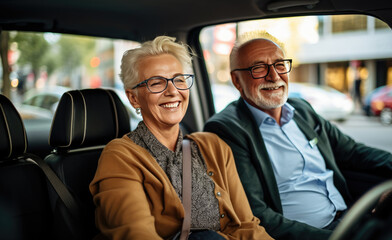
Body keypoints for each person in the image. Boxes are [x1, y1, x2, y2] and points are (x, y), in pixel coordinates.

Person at [203, 32, 392, 240]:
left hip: (351, 218)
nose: (274, 76)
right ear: (237, 80)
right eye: (259, 68)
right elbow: (257, 214)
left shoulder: (302, 110)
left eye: (280, 64)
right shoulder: (227, 129)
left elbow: (353, 151)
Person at [89, 36, 272, 240]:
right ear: (134, 98)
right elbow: (135, 234)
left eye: (179, 80)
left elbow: (247, 225)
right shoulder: (120, 156)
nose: (173, 91)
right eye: (157, 83)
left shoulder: (214, 146)